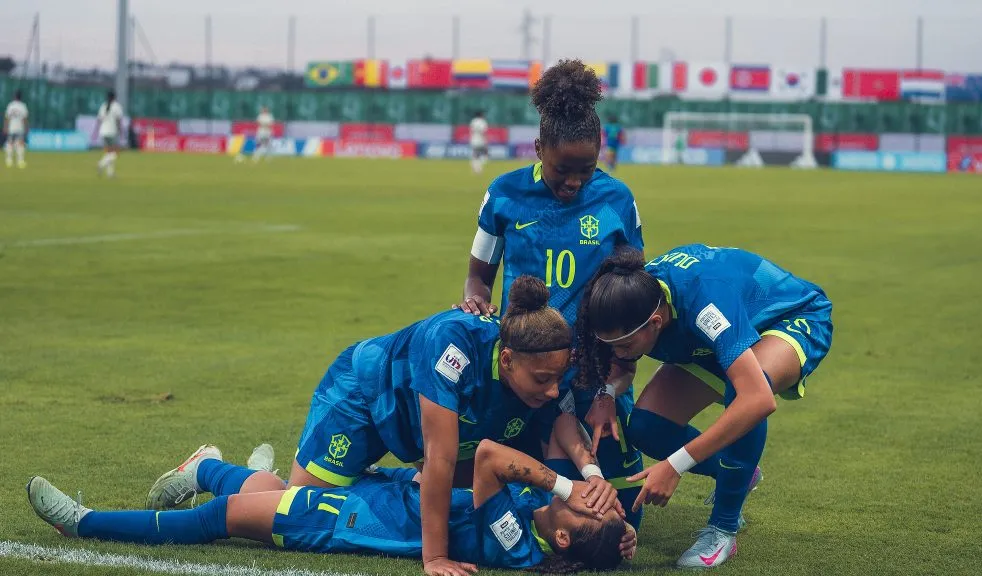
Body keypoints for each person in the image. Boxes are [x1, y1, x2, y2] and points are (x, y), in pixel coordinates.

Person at [147, 276, 620, 576]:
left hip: (425, 427)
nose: (556, 388)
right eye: (545, 379)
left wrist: (593, 476)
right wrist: (433, 559)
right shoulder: (452, 345)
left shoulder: (534, 367)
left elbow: (562, 420)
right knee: (293, 499)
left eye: (561, 376)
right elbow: (437, 459)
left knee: (288, 504)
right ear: (509, 360)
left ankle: (212, 469)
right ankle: (209, 470)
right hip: (363, 397)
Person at [457, 58, 646, 529]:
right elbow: (478, 275)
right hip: (526, 371)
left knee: (614, 520)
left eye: (587, 168)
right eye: (563, 168)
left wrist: (611, 383)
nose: (574, 181)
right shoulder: (503, 194)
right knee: (517, 510)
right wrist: (476, 299)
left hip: (595, 375)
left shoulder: (618, 200)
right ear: (539, 148)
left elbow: (632, 304)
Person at [574, 245, 834, 568]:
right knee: (645, 426)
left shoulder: (702, 304)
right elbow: (622, 363)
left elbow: (757, 399)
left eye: (625, 344)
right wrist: (607, 393)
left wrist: (675, 464)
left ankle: (723, 528)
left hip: (789, 317)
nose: (619, 353)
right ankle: (739, 476)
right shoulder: (635, 296)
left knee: (745, 393)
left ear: (656, 322)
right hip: (720, 337)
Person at [27, 440, 636, 572]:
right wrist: (618, 530)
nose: (592, 497)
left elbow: (487, 458)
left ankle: (81, 521)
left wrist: (567, 487)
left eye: (592, 508)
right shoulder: (539, 521)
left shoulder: (516, 542)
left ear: (564, 538)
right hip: (377, 494)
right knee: (262, 493)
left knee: (221, 520)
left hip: (353, 525)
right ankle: (205, 467)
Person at [93, 91, 123, 178]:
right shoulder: (117, 106)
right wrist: (121, 131)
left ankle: (110, 173)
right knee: (115, 153)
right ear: (114, 97)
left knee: (109, 152)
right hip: (112, 132)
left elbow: (99, 120)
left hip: (103, 132)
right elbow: (118, 120)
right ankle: (101, 164)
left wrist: (95, 132)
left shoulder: (103, 106)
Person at [4, 90, 29, 169]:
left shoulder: (10, 105)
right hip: (19, 127)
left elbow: (7, 118)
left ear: (14, 97)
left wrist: (5, 127)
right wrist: (26, 128)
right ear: (21, 97)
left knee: (10, 143)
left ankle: (9, 160)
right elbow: (24, 119)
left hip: (11, 127)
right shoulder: (23, 106)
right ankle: (20, 161)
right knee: (20, 144)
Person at [469, 110, 488, 174]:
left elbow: (472, 130)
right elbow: (483, 131)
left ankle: (476, 167)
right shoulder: (482, 121)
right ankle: (479, 167)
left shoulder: (473, 121)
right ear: (481, 115)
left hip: (474, 140)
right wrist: (486, 139)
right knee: (484, 153)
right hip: (481, 140)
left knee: (475, 154)